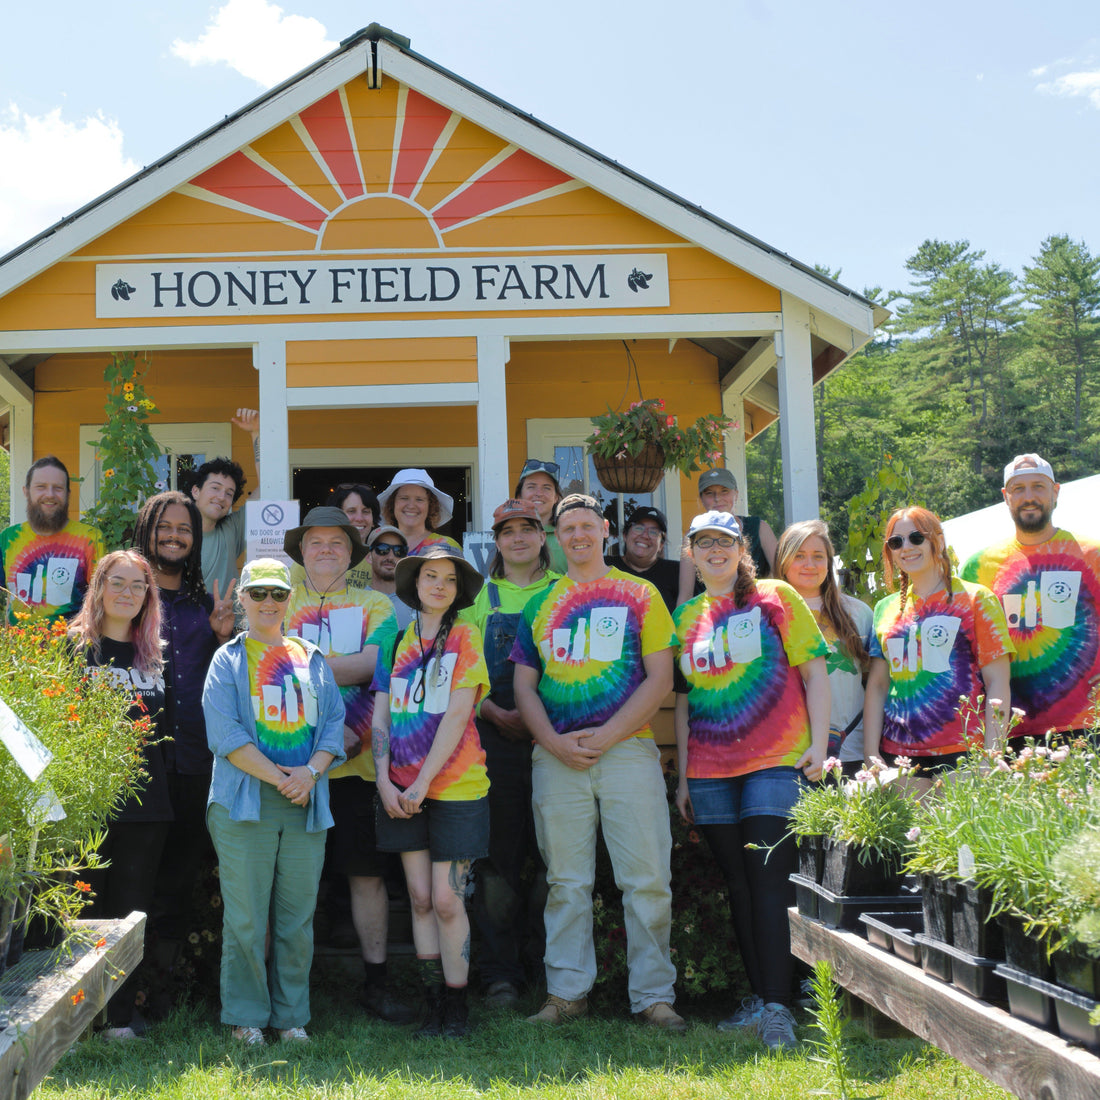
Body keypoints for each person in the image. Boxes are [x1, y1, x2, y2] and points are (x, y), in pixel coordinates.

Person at [512, 493, 684, 1032]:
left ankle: (654, 997)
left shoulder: (640, 594)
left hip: (627, 750)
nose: (578, 536)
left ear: (605, 530)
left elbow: (660, 678)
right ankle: (566, 994)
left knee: (648, 878)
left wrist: (608, 736)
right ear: (555, 537)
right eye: (568, 528)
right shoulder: (540, 602)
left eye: (587, 526)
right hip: (557, 757)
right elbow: (523, 686)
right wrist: (555, 744)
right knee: (566, 881)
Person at [673, 511, 829, 1050]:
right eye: (703, 543)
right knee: (739, 884)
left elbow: (814, 672)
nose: (714, 550)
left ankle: (780, 1008)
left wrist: (820, 744)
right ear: (690, 552)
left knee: (769, 881)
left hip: (776, 760)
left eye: (724, 541)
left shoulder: (775, 596)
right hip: (711, 769)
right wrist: (685, 777)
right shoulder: (686, 616)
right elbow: (685, 697)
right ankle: (763, 998)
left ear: (741, 548)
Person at [202, 558, 346, 1046]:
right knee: (245, 918)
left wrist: (309, 774)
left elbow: (332, 726)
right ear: (241, 598)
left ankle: (291, 1019)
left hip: (306, 802)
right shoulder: (227, 659)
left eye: (277, 594)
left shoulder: (312, 656)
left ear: (290, 600)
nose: (268, 602)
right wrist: (283, 777)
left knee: (296, 918)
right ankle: (246, 1016)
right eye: (257, 593)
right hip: (244, 804)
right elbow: (224, 733)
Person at [281, 506, 410, 1023]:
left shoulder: (375, 604)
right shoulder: (280, 601)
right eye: (317, 542)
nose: (327, 549)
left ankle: (375, 984)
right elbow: (261, 665)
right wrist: (336, 669)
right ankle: (290, 989)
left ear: (351, 553)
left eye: (338, 542)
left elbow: (377, 664)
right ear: (302, 551)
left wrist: (298, 663)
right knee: (291, 881)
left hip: (357, 765)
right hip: (290, 769)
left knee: (366, 875)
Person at [371, 547, 490, 1039]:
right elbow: (380, 715)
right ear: (415, 585)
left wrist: (422, 782)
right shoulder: (395, 639)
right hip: (399, 788)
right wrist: (382, 777)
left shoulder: (466, 635)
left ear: (458, 590)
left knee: (446, 899)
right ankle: (431, 1002)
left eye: (448, 579)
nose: (438, 585)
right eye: (429, 576)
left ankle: (457, 1008)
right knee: (419, 897)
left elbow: (460, 713)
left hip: (456, 788)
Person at [130, 491, 235, 977]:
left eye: (184, 529)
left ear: (195, 540)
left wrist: (222, 636)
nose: (174, 536)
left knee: (178, 879)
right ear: (147, 530)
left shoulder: (206, 606)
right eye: (164, 527)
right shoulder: (125, 598)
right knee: (134, 881)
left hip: (196, 761)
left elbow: (229, 680)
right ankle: (124, 990)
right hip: (136, 764)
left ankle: (163, 987)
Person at [463, 499, 560, 1009]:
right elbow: (461, 661)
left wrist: (544, 724)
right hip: (493, 741)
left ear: (543, 537)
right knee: (498, 863)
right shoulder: (480, 596)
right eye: (508, 531)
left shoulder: (563, 591)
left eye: (528, 529)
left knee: (553, 861)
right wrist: (491, 711)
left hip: (557, 740)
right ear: (496, 542)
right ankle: (499, 974)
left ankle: (548, 968)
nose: (518, 538)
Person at [70, 549, 166, 1040]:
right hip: (88, 805)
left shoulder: (155, 654)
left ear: (148, 595)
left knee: (131, 912)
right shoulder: (73, 649)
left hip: (147, 808)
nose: (128, 594)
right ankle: (81, 1018)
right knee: (87, 913)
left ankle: (121, 1020)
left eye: (138, 586)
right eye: (119, 583)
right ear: (100, 587)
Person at [863, 508, 1014, 792]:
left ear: (938, 541)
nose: (906, 547)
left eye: (916, 538)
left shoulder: (976, 599)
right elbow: (878, 685)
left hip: (966, 751)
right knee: (912, 838)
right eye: (896, 542)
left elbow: (998, 682)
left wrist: (992, 754)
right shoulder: (884, 609)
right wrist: (871, 755)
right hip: (899, 757)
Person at [961, 454, 1100, 743]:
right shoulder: (977, 567)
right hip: (1010, 733)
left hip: (1088, 726)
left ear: (1056, 492)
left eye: (1038, 486)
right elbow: (969, 650)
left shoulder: (1092, 554)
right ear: (1005, 497)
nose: (1029, 497)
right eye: (1018, 489)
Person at [776, 519, 873, 772]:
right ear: (783, 562)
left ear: (829, 562)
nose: (809, 564)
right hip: (788, 749)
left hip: (850, 745)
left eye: (818, 556)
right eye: (799, 556)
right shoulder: (768, 612)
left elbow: (872, 682)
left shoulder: (859, 613)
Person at [0, 456, 105, 623]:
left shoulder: (90, 538)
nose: (50, 494)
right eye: (41, 487)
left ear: (68, 494)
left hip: (71, 647)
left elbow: (102, 603)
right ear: (26, 492)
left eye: (58, 488)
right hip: (19, 648)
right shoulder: (8, 538)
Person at [677, 468, 777, 606]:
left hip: (758, 608)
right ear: (701, 499)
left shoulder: (759, 527)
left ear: (736, 494)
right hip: (711, 615)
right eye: (710, 493)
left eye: (724, 491)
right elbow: (685, 593)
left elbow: (781, 574)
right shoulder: (691, 536)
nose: (718, 498)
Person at [188, 409, 260, 598]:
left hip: (231, 626)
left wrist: (256, 433)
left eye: (229, 493)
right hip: (187, 626)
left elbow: (268, 485)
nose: (222, 497)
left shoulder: (231, 529)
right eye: (215, 488)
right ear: (196, 491)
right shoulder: (175, 534)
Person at [290, 483, 378, 591]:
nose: (359, 518)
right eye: (351, 511)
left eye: (366, 511)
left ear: (374, 519)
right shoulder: (310, 558)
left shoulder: (380, 558)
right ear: (335, 517)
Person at [608, 506, 680, 612]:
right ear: (625, 535)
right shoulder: (606, 566)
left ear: (661, 545)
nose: (645, 535)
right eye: (638, 528)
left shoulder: (677, 572)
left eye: (654, 532)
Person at [376, 469, 461, 557]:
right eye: (404, 498)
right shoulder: (378, 547)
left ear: (430, 506)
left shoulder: (448, 547)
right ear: (392, 503)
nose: (411, 506)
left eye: (419, 499)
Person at [514, 459, 567, 574]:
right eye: (531, 487)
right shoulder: (510, 536)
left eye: (546, 488)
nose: (539, 493)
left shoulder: (567, 534)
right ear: (519, 496)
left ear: (556, 497)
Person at [367, 526, 415, 630]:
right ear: (369, 557)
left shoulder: (418, 605)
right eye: (382, 549)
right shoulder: (355, 603)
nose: (390, 557)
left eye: (399, 551)